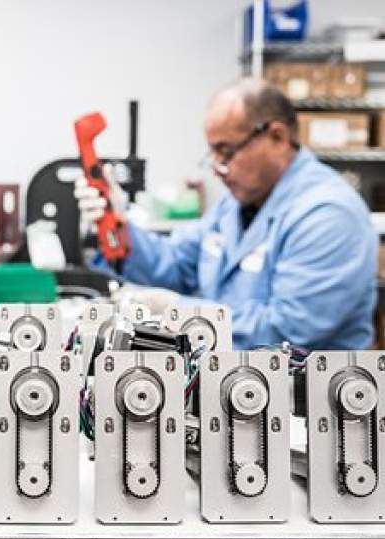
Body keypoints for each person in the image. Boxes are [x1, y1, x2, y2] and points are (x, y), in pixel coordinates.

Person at [74, 77, 377, 350]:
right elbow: (176, 264)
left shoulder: (328, 215)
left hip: (306, 397)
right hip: (235, 387)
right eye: (213, 153)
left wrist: (178, 312)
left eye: (227, 151)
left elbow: (287, 330)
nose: (218, 168)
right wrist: (117, 224)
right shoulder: (235, 204)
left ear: (277, 137)